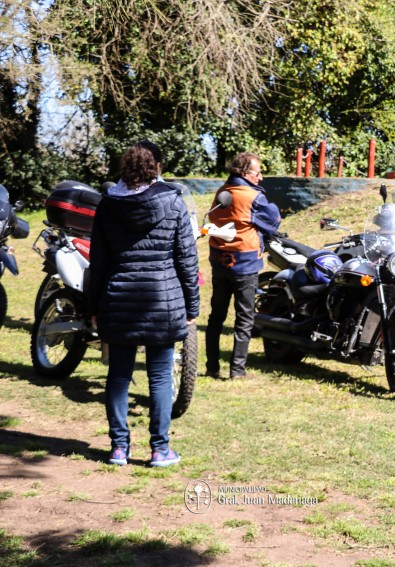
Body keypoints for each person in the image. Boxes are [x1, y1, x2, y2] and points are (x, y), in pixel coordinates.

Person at [88, 141, 200, 467]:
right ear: (157, 167)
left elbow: (99, 261)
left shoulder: (108, 205)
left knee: (119, 376)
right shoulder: (174, 203)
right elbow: (187, 261)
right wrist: (192, 307)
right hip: (162, 302)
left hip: (119, 298)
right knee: (161, 378)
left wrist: (93, 305)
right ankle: (160, 450)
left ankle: (119, 448)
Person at [206, 152, 281, 379]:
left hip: (219, 260)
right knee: (245, 317)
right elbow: (273, 221)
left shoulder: (222, 191)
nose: (261, 178)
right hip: (245, 262)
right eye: (258, 173)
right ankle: (237, 371)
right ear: (246, 173)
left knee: (216, 316)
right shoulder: (252, 197)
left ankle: (212, 367)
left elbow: (215, 219)